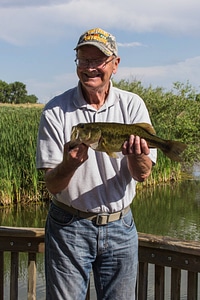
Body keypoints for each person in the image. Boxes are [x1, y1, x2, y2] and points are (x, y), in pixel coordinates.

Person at [36, 27, 157, 300]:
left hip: (121, 227)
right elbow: (52, 186)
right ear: (77, 64)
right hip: (68, 227)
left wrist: (137, 154)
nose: (90, 68)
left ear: (115, 65)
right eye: (84, 61)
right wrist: (69, 164)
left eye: (98, 61)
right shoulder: (55, 111)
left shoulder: (133, 104)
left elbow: (143, 174)